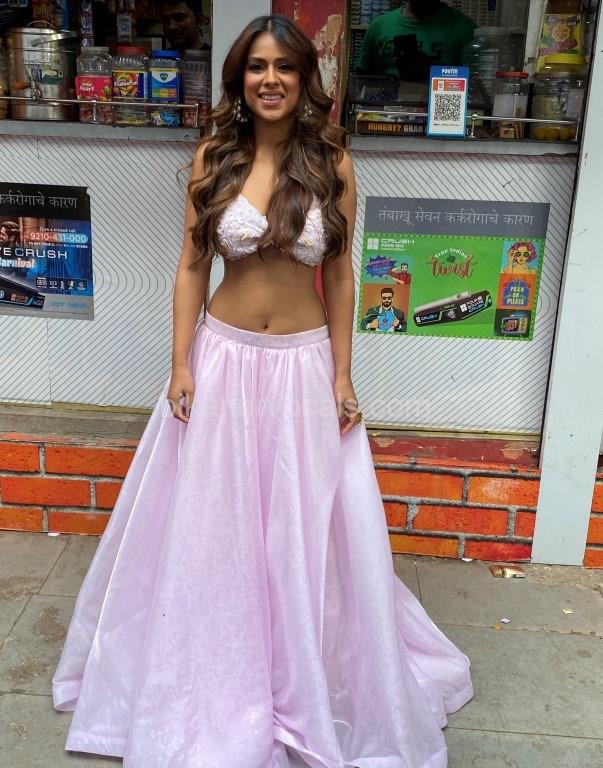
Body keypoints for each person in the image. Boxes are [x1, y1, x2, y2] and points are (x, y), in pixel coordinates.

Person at [52, 15, 473, 767]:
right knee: (216, 531)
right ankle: (216, 678)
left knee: (302, 527)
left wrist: (342, 373)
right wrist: (180, 364)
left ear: (305, 78)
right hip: (222, 361)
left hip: (302, 369)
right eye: (255, 66)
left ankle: (301, 672)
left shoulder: (333, 162)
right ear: (238, 79)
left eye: (283, 66)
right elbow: (190, 268)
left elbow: (339, 275)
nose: (269, 79)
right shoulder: (213, 155)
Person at [357, 0, 475, 81]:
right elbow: (362, 80)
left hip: (440, 108)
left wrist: (429, 71)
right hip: (386, 107)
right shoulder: (379, 26)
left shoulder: (466, 29)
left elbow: (475, 88)